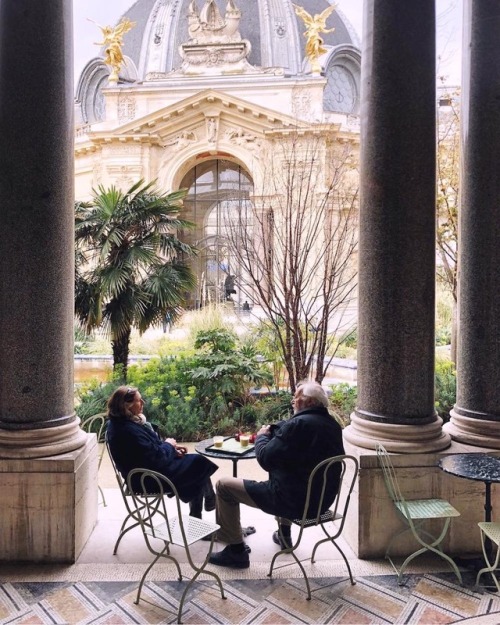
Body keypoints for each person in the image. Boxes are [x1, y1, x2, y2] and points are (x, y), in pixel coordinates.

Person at [208, 381, 345, 569]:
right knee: (288, 473)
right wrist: (276, 429)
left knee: (224, 486)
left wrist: (263, 435)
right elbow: (291, 435)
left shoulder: (298, 425)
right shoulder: (333, 426)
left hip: (293, 502)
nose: (293, 401)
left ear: (309, 402)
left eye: (297, 398)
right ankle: (284, 534)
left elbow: (265, 458)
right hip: (321, 502)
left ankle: (236, 551)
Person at [106, 386, 218, 517]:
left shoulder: (122, 423)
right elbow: (157, 459)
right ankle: (209, 501)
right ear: (126, 405)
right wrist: (168, 445)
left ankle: (203, 509)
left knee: (194, 464)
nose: (143, 403)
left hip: (145, 471)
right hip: (147, 479)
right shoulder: (128, 430)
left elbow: (146, 452)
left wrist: (172, 450)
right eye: (139, 400)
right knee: (197, 464)